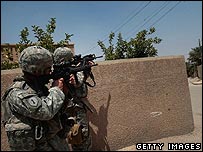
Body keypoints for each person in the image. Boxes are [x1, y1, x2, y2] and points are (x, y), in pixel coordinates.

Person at [1, 46, 70, 151]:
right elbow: (45, 112)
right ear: (37, 70)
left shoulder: (38, 88)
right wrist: (56, 90)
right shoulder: (18, 93)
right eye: (48, 69)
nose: (50, 72)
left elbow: (57, 113)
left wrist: (65, 92)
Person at [53, 47, 93, 151]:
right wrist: (82, 69)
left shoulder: (55, 72)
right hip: (75, 111)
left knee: (74, 137)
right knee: (81, 138)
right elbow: (77, 82)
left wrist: (86, 69)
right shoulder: (66, 72)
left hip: (65, 112)